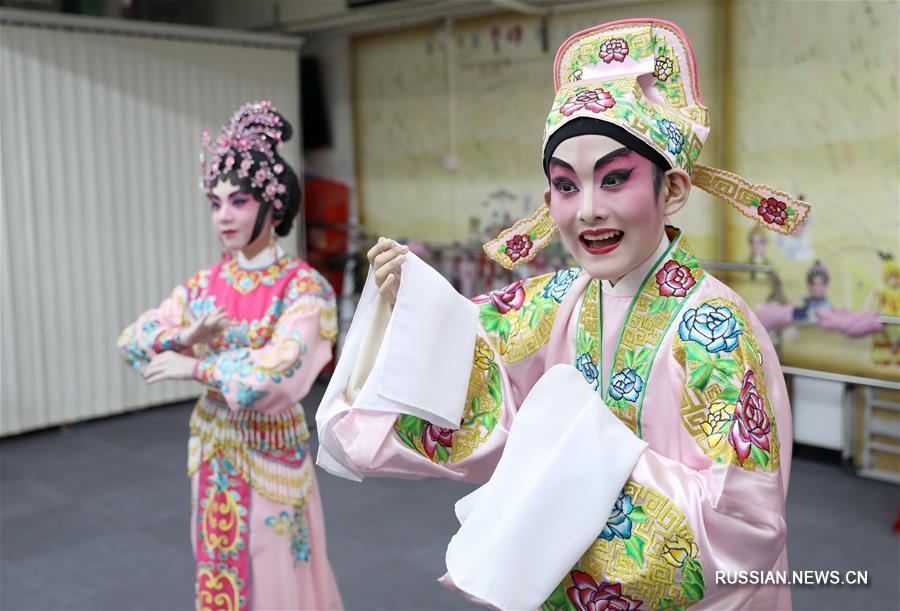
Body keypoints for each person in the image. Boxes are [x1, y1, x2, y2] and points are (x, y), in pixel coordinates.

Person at [317, 19, 811, 610]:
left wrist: (577, 457)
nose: (588, 211)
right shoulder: (557, 299)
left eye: (616, 178)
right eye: (565, 185)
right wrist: (411, 312)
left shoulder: (716, 330)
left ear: (672, 190)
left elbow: (743, 525)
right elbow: (472, 361)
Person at [118, 101, 342, 610]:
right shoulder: (206, 284)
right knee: (217, 562)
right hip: (214, 449)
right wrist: (184, 333)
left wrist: (198, 364)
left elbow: (276, 376)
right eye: (215, 202)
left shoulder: (302, 287)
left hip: (270, 448)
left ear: (274, 207)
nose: (223, 216)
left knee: (275, 565)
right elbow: (133, 341)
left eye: (238, 201)